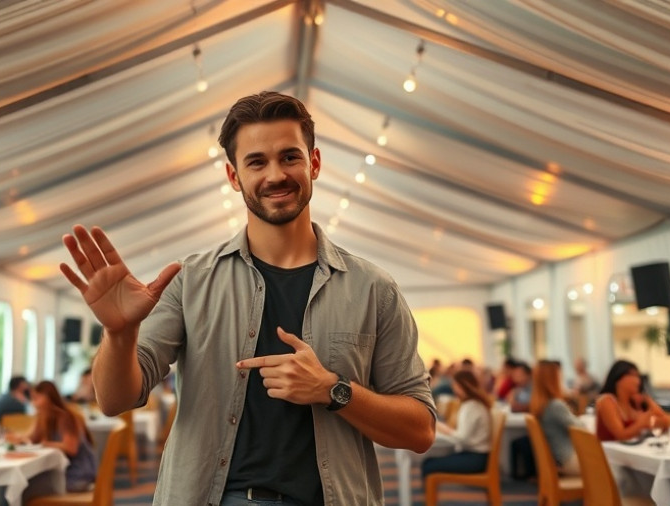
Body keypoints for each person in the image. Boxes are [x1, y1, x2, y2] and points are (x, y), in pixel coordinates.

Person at [59, 91, 435, 505]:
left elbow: (420, 430)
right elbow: (114, 400)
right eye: (257, 162)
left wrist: (332, 389)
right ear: (234, 176)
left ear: (314, 163)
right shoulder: (191, 281)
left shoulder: (373, 289)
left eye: (290, 157)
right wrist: (120, 333)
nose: (275, 175)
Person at [7, 381, 98, 492]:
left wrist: (47, 444)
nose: (34, 403)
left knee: (25, 488)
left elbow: (71, 448)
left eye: (37, 398)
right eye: (33, 399)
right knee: (24, 485)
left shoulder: (66, 417)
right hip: (65, 472)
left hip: (78, 476)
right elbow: (32, 439)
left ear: (49, 398)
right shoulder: (45, 417)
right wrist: (18, 438)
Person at [420, 371, 492, 479]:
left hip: (475, 459)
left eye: (455, 385)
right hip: (477, 456)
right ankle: (429, 495)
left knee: (429, 465)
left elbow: (462, 438)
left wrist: (445, 430)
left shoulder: (471, 407)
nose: (453, 389)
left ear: (462, 386)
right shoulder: (473, 404)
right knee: (428, 462)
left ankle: (429, 495)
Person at [530, 361, 583, 476]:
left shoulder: (540, 404)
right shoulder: (555, 405)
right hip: (569, 460)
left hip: (559, 458)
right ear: (553, 379)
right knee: (608, 463)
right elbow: (581, 428)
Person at [595, 360, 668, 441]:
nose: (638, 381)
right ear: (618, 379)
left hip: (631, 450)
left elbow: (666, 422)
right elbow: (621, 435)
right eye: (633, 375)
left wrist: (647, 401)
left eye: (638, 376)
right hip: (608, 452)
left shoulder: (635, 402)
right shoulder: (606, 400)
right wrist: (641, 423)